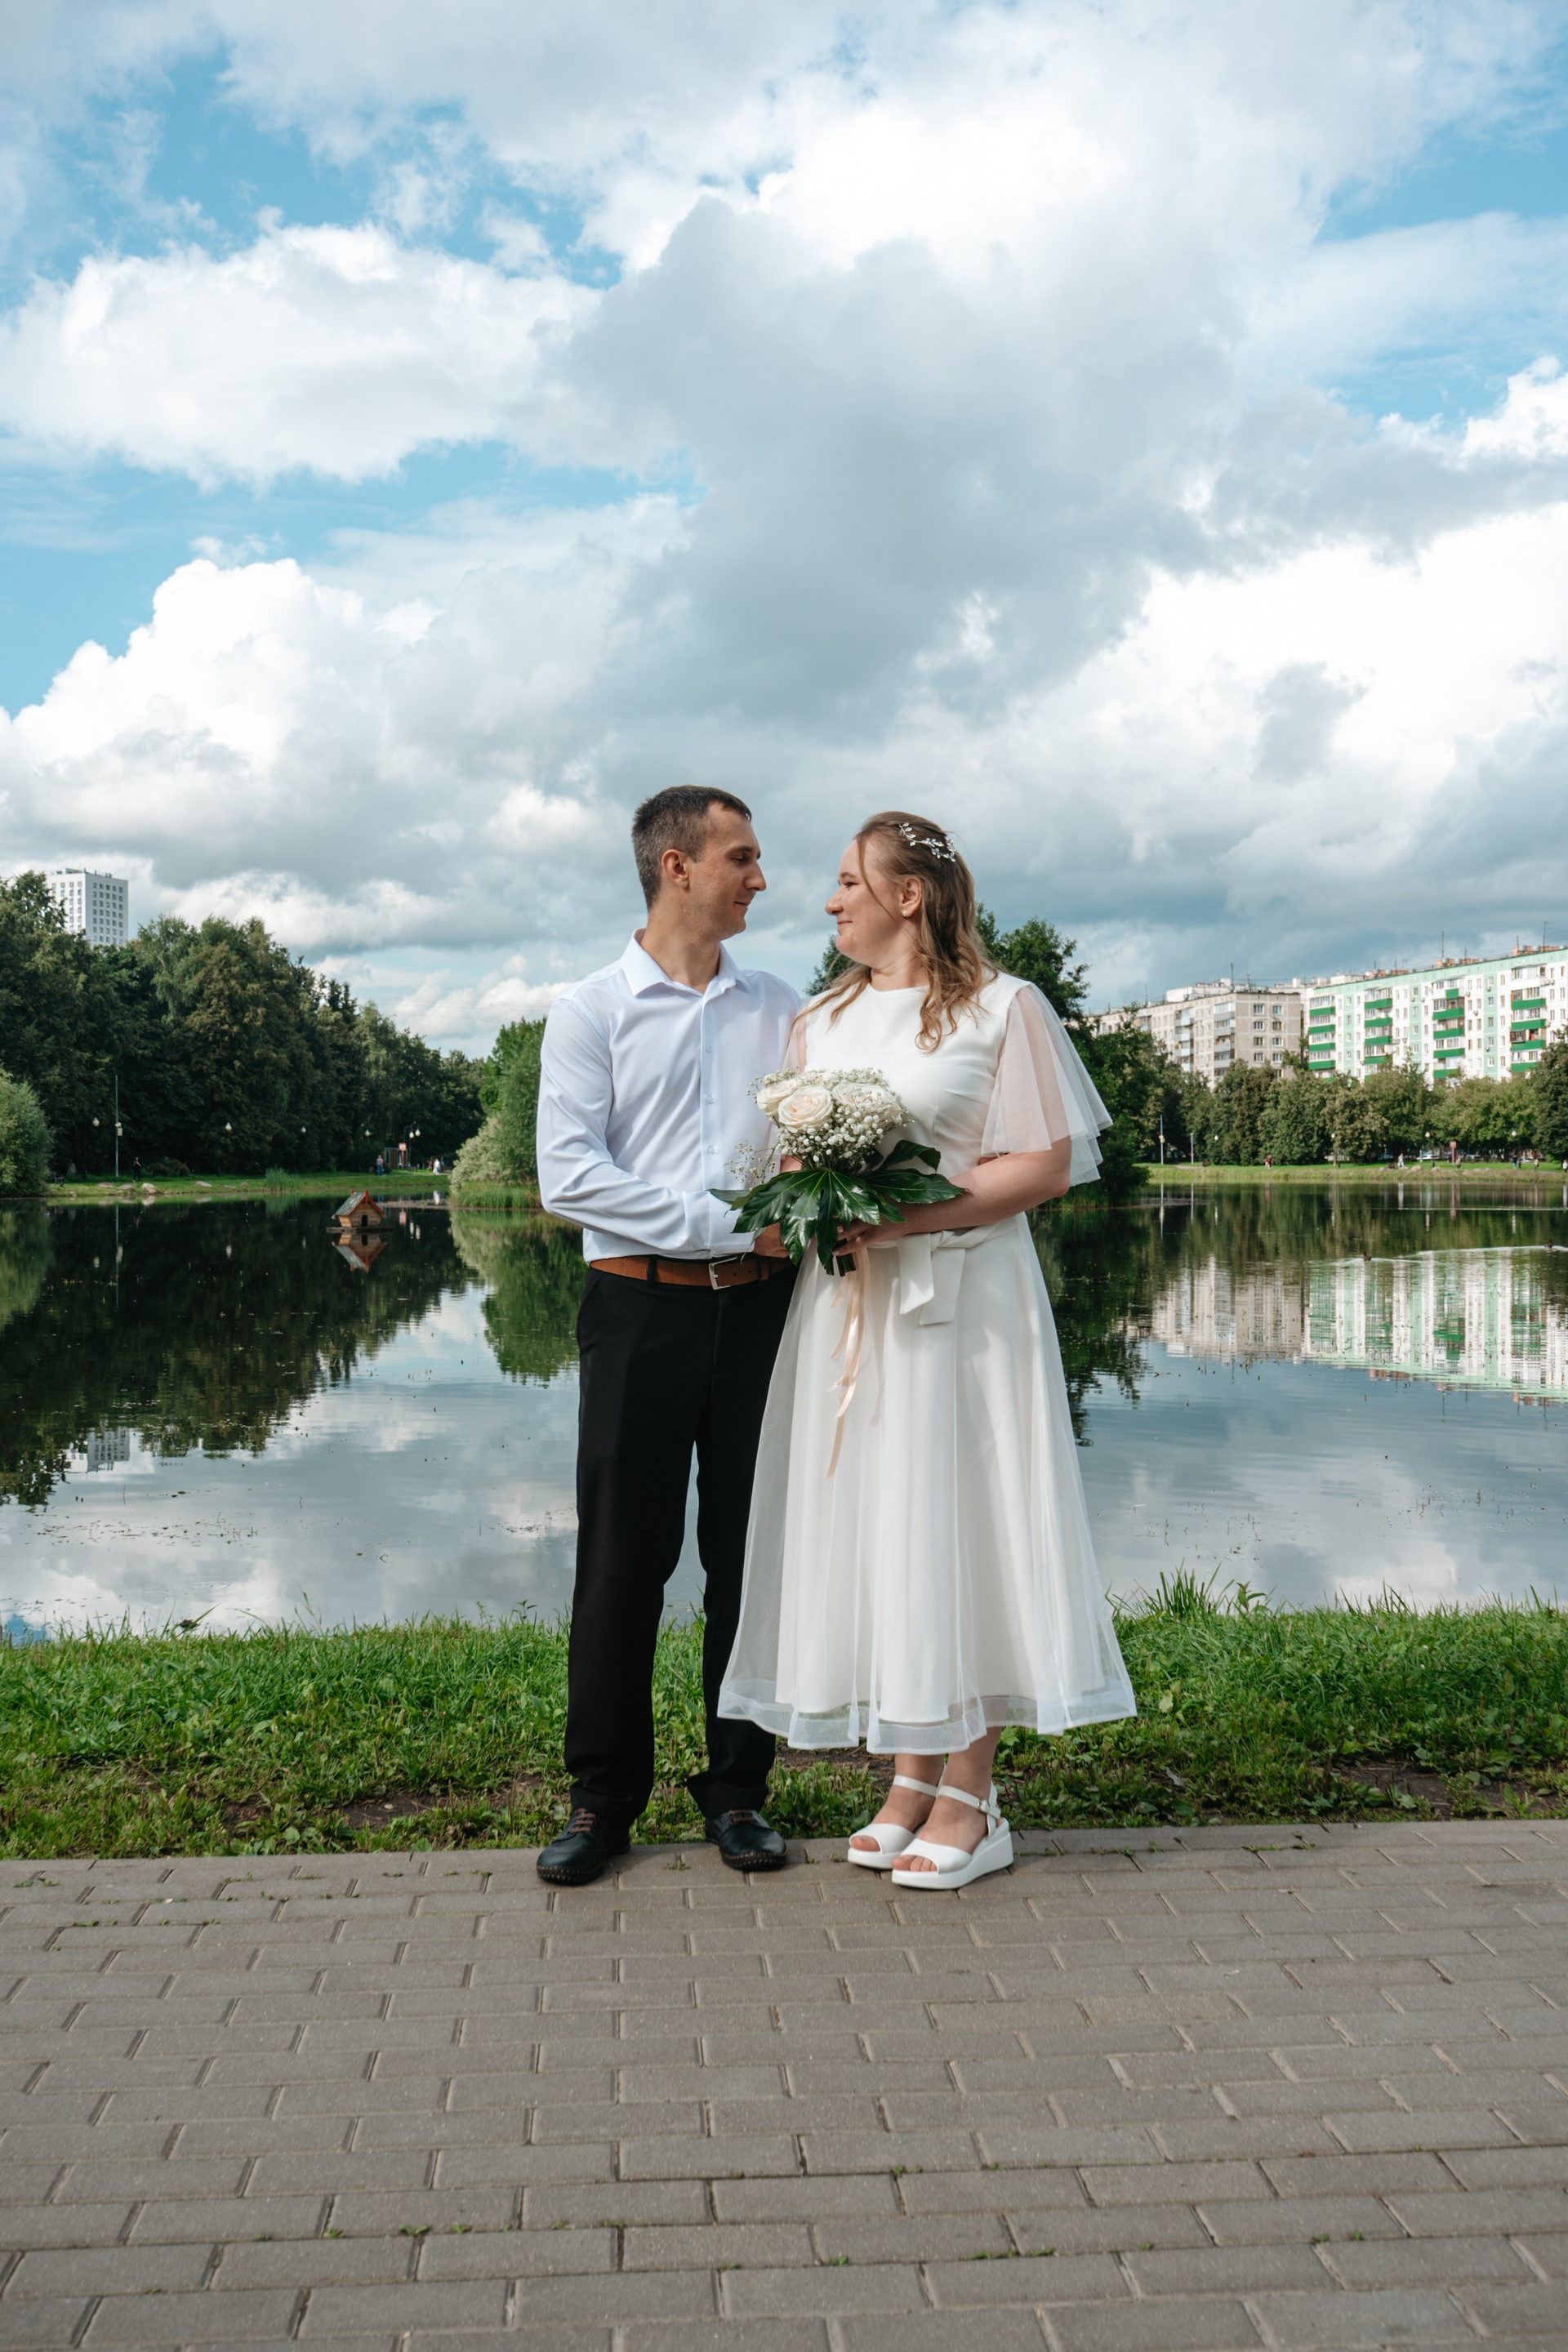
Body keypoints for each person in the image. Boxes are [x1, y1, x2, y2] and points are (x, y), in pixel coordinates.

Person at [719, 813, 1136, 1889]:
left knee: (966, 1522)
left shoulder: (1003, 1007)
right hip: (852, 1309)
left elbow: (1044, 1165)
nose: (829, 900)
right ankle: (909, 1779)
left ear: (910, 896)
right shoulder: (820, 1021)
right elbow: (795, 1159)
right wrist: (815, 1205)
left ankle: (973, 1796)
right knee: (887, 1524)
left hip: (966, 1305)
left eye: (849, 881)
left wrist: (904, 1217)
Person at [534, 786, 801, 1885]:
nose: (760, 878)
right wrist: (723, 1223)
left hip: (765, 1311)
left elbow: (810, 1155)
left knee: (751, 1557)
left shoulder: (784, 1009)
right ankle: (603, 1802)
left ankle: (739, 1793)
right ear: (676, 866)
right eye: (742, 857)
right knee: (620, 1561)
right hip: (637, 1309)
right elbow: (569, 1176)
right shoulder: (589, 1010)